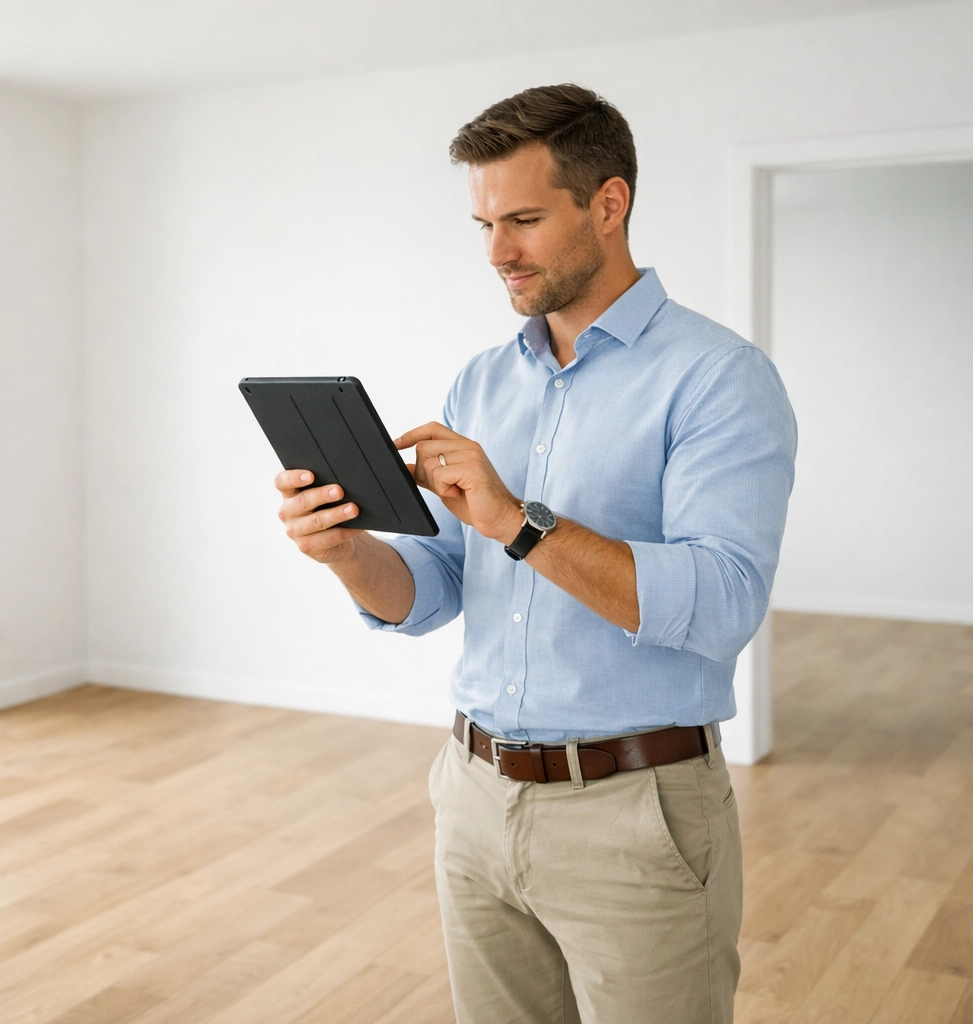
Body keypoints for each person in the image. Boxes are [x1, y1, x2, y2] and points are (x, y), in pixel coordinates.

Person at [273, 84, 796, 1023]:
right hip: (472, 798)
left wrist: (520, 521)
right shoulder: (482, 380)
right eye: (481, 224)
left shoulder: (719, 378)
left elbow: (723, 603)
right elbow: (433, 591)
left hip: (636, 815)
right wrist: (346, 553)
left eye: (522, 219)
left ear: (608, 203)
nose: (497, 253)